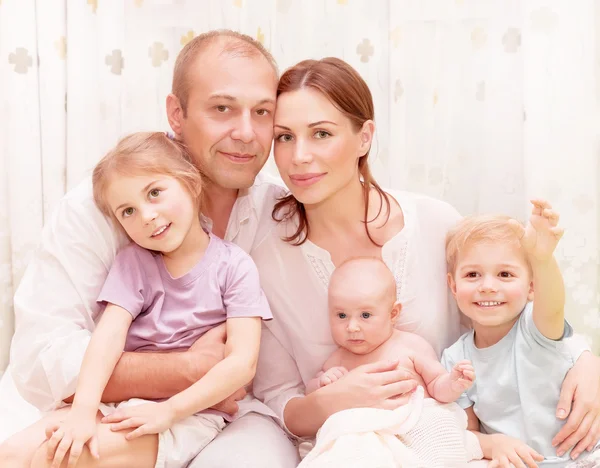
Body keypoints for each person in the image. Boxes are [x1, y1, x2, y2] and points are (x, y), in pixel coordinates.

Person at [249, 57, 600, 464]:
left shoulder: (437, 223)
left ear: (364, 137)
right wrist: (335, 400)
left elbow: (507, 314)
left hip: (459, 442)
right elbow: (277, 398)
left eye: (321, 133)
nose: (299, 157)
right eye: (284, 137)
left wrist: (583, 360)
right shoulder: (266, 264)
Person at [0, 30, 299, 468]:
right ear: (176, 114)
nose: (246, 132)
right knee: (29, 456)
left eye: (263, 112)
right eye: (222, 108)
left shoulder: (278, 211)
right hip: (111, 405)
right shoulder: (105, 205)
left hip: (229, 416)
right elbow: (38, 361)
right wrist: (190, 366)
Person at [35, 132, 272, 468]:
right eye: (128, 211)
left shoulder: (234, 266)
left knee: (54, 459)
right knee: (17, 450)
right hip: (122, 403)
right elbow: (108, 337)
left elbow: (242, 363)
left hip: (188, 411)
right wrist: (84, 411)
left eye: (155, 193)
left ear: (190, 183)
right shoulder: (134, 262)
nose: (145, 215)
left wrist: (169, 411)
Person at [441, 202, 600, 468]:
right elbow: (467, 433)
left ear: (532, 287)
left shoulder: (536, 328)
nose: (488, 286)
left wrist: (542, 259)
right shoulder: (455, 358)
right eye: (472, 274)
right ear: (453, 286)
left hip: (586, 457)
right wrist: (495, 444)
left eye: (505, 274)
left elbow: (553, 304)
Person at [302, 256, 481, 466]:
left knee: (440, 428)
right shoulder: (338, 359)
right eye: (341, 316)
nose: (352, 327)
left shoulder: (411, 345)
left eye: (365, 315)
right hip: (367, 435)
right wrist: (323, 382)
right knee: (348, 445)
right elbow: (312, 396)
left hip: (417, 426)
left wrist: (453, 383)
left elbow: (437, 388)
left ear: (393, 313)